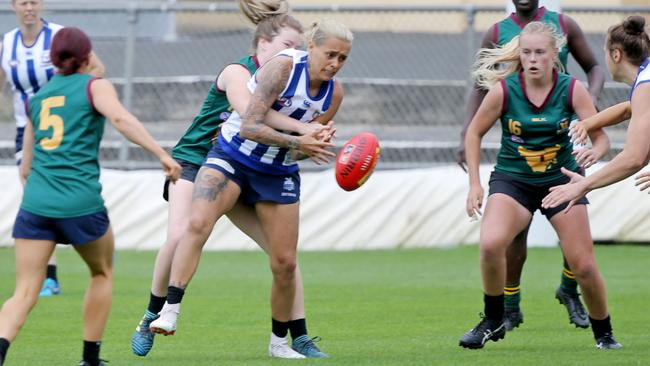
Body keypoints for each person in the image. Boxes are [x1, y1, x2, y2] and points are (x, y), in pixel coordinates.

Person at [130, 0, 331, 359]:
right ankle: (151, 317)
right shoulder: (239, 71)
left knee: (283, 258)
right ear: (262, 45)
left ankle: (297, 336)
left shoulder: (291, 78)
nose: (295, 54)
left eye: (299, 48)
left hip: (245, 167)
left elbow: (282, 139)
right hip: (197, 160)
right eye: (288, 46)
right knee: (180, 235)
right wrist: (304, 130)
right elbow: (249, 113)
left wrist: (312, 144)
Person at [0, 27, 181, 366]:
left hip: (36, 205)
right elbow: (119, 118)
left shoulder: (36, 99)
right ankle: (89, 359)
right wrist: (163, 155)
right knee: (101, 273)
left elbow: (25, 168)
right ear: (87, 55)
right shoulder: (94, 86)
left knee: (24, 291)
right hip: (80, 203)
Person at [458, 21, 620, 350]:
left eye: (539, 52)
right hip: (513, 180)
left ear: (554, 55)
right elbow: (473, 133)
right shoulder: (504, 90)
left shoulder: (572, 88)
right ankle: (493, 319)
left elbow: (602, 138)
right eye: (526, 52)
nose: (532, 59)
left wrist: (594, 151)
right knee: (491, 244)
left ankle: (604, 334)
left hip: (561, 182)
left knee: (584, 265)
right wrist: (474, 184)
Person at [0, 0, 105, 297]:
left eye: (34, 1)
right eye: (24, 2)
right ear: (13, 7)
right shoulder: (7, 45)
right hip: (28, 130)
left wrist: (74, 98)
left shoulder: (60, 37)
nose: (29, 8)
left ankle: (82, 246)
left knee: (53, 189)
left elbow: (98, 68)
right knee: (32, 186)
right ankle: (49, 275)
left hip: (67, 128)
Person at [542, 16, 650, 211]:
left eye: (605, 52)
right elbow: (628, 109)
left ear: (616, 54)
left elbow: (634, 158)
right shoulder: (645, 80)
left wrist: (584, 185)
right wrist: (586, 124)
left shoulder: (646, 85)